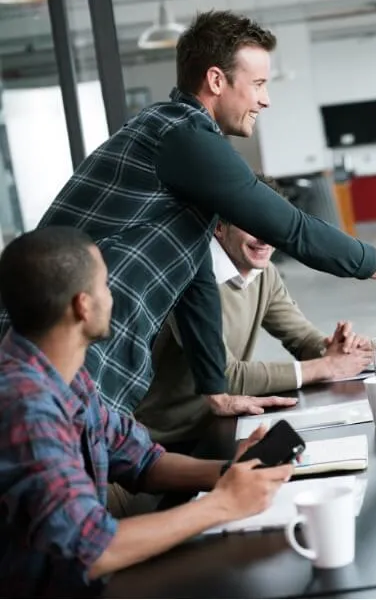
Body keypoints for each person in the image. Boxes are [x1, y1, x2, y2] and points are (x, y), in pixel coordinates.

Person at [0, 10, 376, 419]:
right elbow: (292, 228)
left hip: (73, 345)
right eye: (258, 84)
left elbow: (193, 278)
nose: (265, 100)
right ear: (216, 80)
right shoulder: (181, 136)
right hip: (53, 344)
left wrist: (216, 389)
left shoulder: (177, 137)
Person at [0, 228, 294, 596]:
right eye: (105, 285)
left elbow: (141, 460)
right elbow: (88, 548)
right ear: (83, 306)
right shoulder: (24, 406)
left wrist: (228, 473)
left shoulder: (59, 370)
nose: (113, 296)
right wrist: (223, 504)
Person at [137, 178, 373, 452]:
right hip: (169, 441)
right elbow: (225, 376)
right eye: (250, 223)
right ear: (219, 226)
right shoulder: (190, 278)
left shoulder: (264, 273)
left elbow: (300, 336)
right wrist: (326, 367)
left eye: (270, 223)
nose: (264, 236)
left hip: (229, 422)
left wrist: (332, 349)